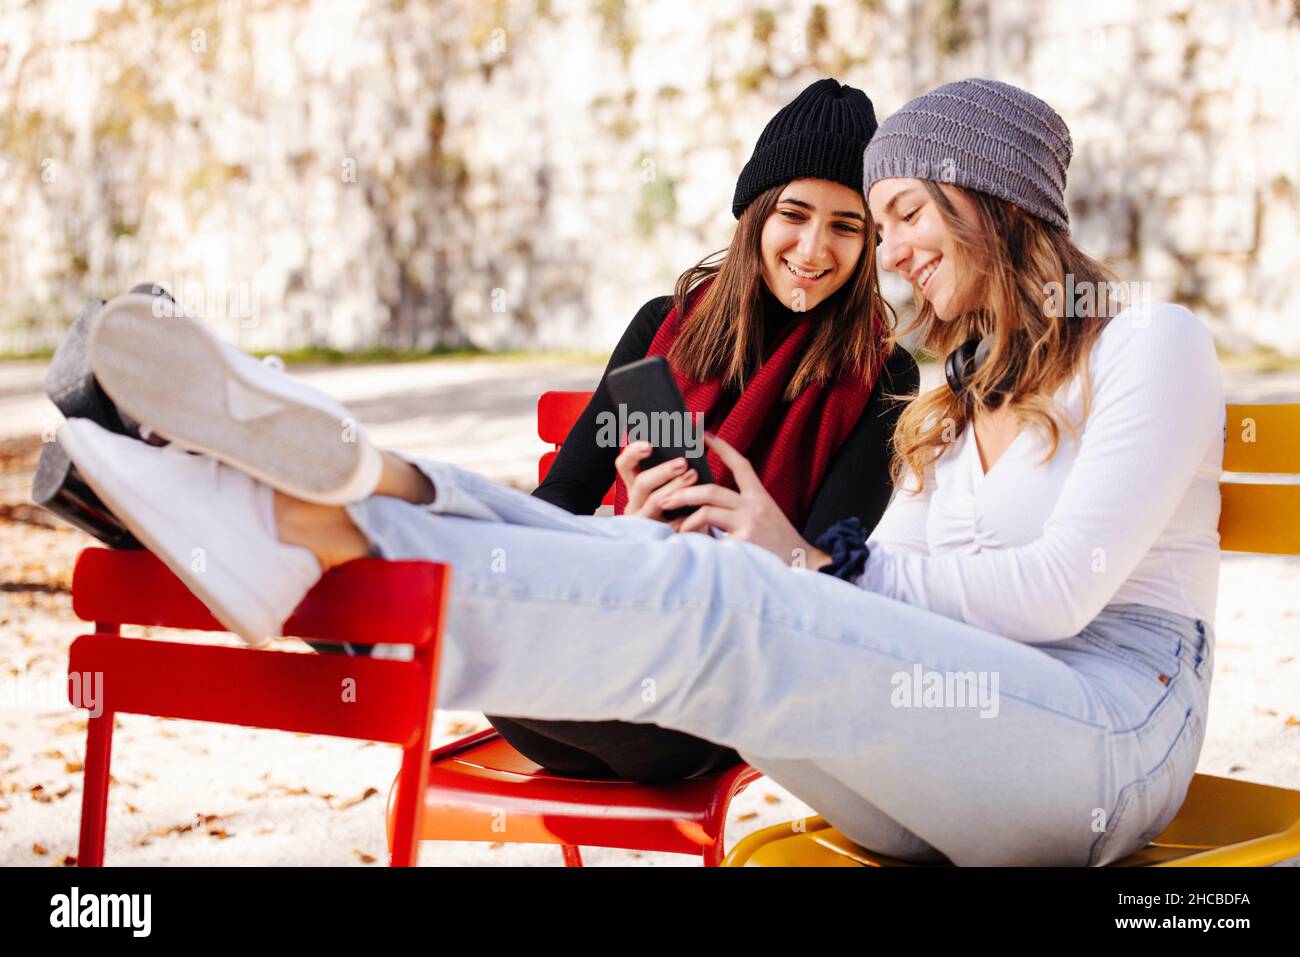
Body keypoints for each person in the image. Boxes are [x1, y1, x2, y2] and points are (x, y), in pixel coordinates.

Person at [55, 78, 1224, 866]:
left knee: (722, 601)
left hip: (1107, 742)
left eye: (898, 214)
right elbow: (875, 594)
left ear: (998, 199)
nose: (891, 252)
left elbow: (1062, 591)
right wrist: (794, 557)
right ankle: (342, 494)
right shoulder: (950, 396)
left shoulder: (1146, 341)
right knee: (666, 557)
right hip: (952, 759)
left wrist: (808, 560)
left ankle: (307, 533)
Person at [486, 77, 919, 783]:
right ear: (754, 213)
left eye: (847, 225)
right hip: (608, 637)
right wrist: (632, 528)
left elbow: (827, 581)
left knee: (500, 656)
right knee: (494, 615)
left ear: (871, 241)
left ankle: (453, 645)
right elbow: (560, 500)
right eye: (795, 213)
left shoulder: (884, 376)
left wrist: (747, 537)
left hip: (717, 688)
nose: (814, 248)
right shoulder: (664, 324)